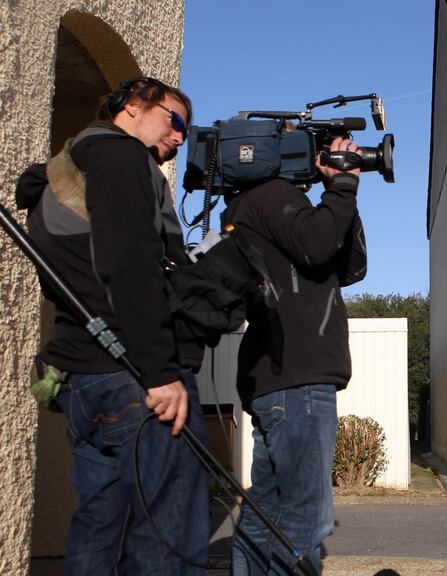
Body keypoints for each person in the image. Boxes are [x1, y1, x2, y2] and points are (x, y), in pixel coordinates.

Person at [14, 77, 209, 573]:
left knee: (98, 529)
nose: (181, 137)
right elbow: (129, 264)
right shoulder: (121, 158)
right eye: (176, 120)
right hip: (134, 378)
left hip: (85, 383)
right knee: (168, 534)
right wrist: (160, 371)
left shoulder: (65, 174)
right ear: (133, 106)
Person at [224, 135, 366, 574]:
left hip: (280, 379)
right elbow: (317, 245)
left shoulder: (258, 205)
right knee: (307, 515)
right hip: (298, 381)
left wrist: (342, 195)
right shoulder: (271, 197)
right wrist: (340, 187)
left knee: (266, 513)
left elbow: (350, 266)